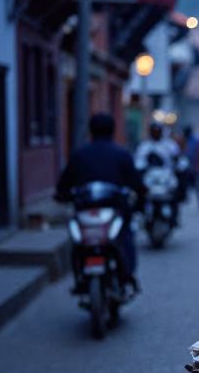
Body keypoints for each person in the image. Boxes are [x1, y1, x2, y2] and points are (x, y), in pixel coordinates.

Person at [56, 113, 146, 289]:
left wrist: (62, 195)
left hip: (86, 211)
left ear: (91, 131)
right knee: (125, 238)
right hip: (114, 210)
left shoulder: (79, 154)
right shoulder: (121, 154)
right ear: (113, 130)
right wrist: (140, 199)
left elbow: (63, 184)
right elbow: (137, 184)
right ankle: (126, 275)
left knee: (78, 242)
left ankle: (80, 277)